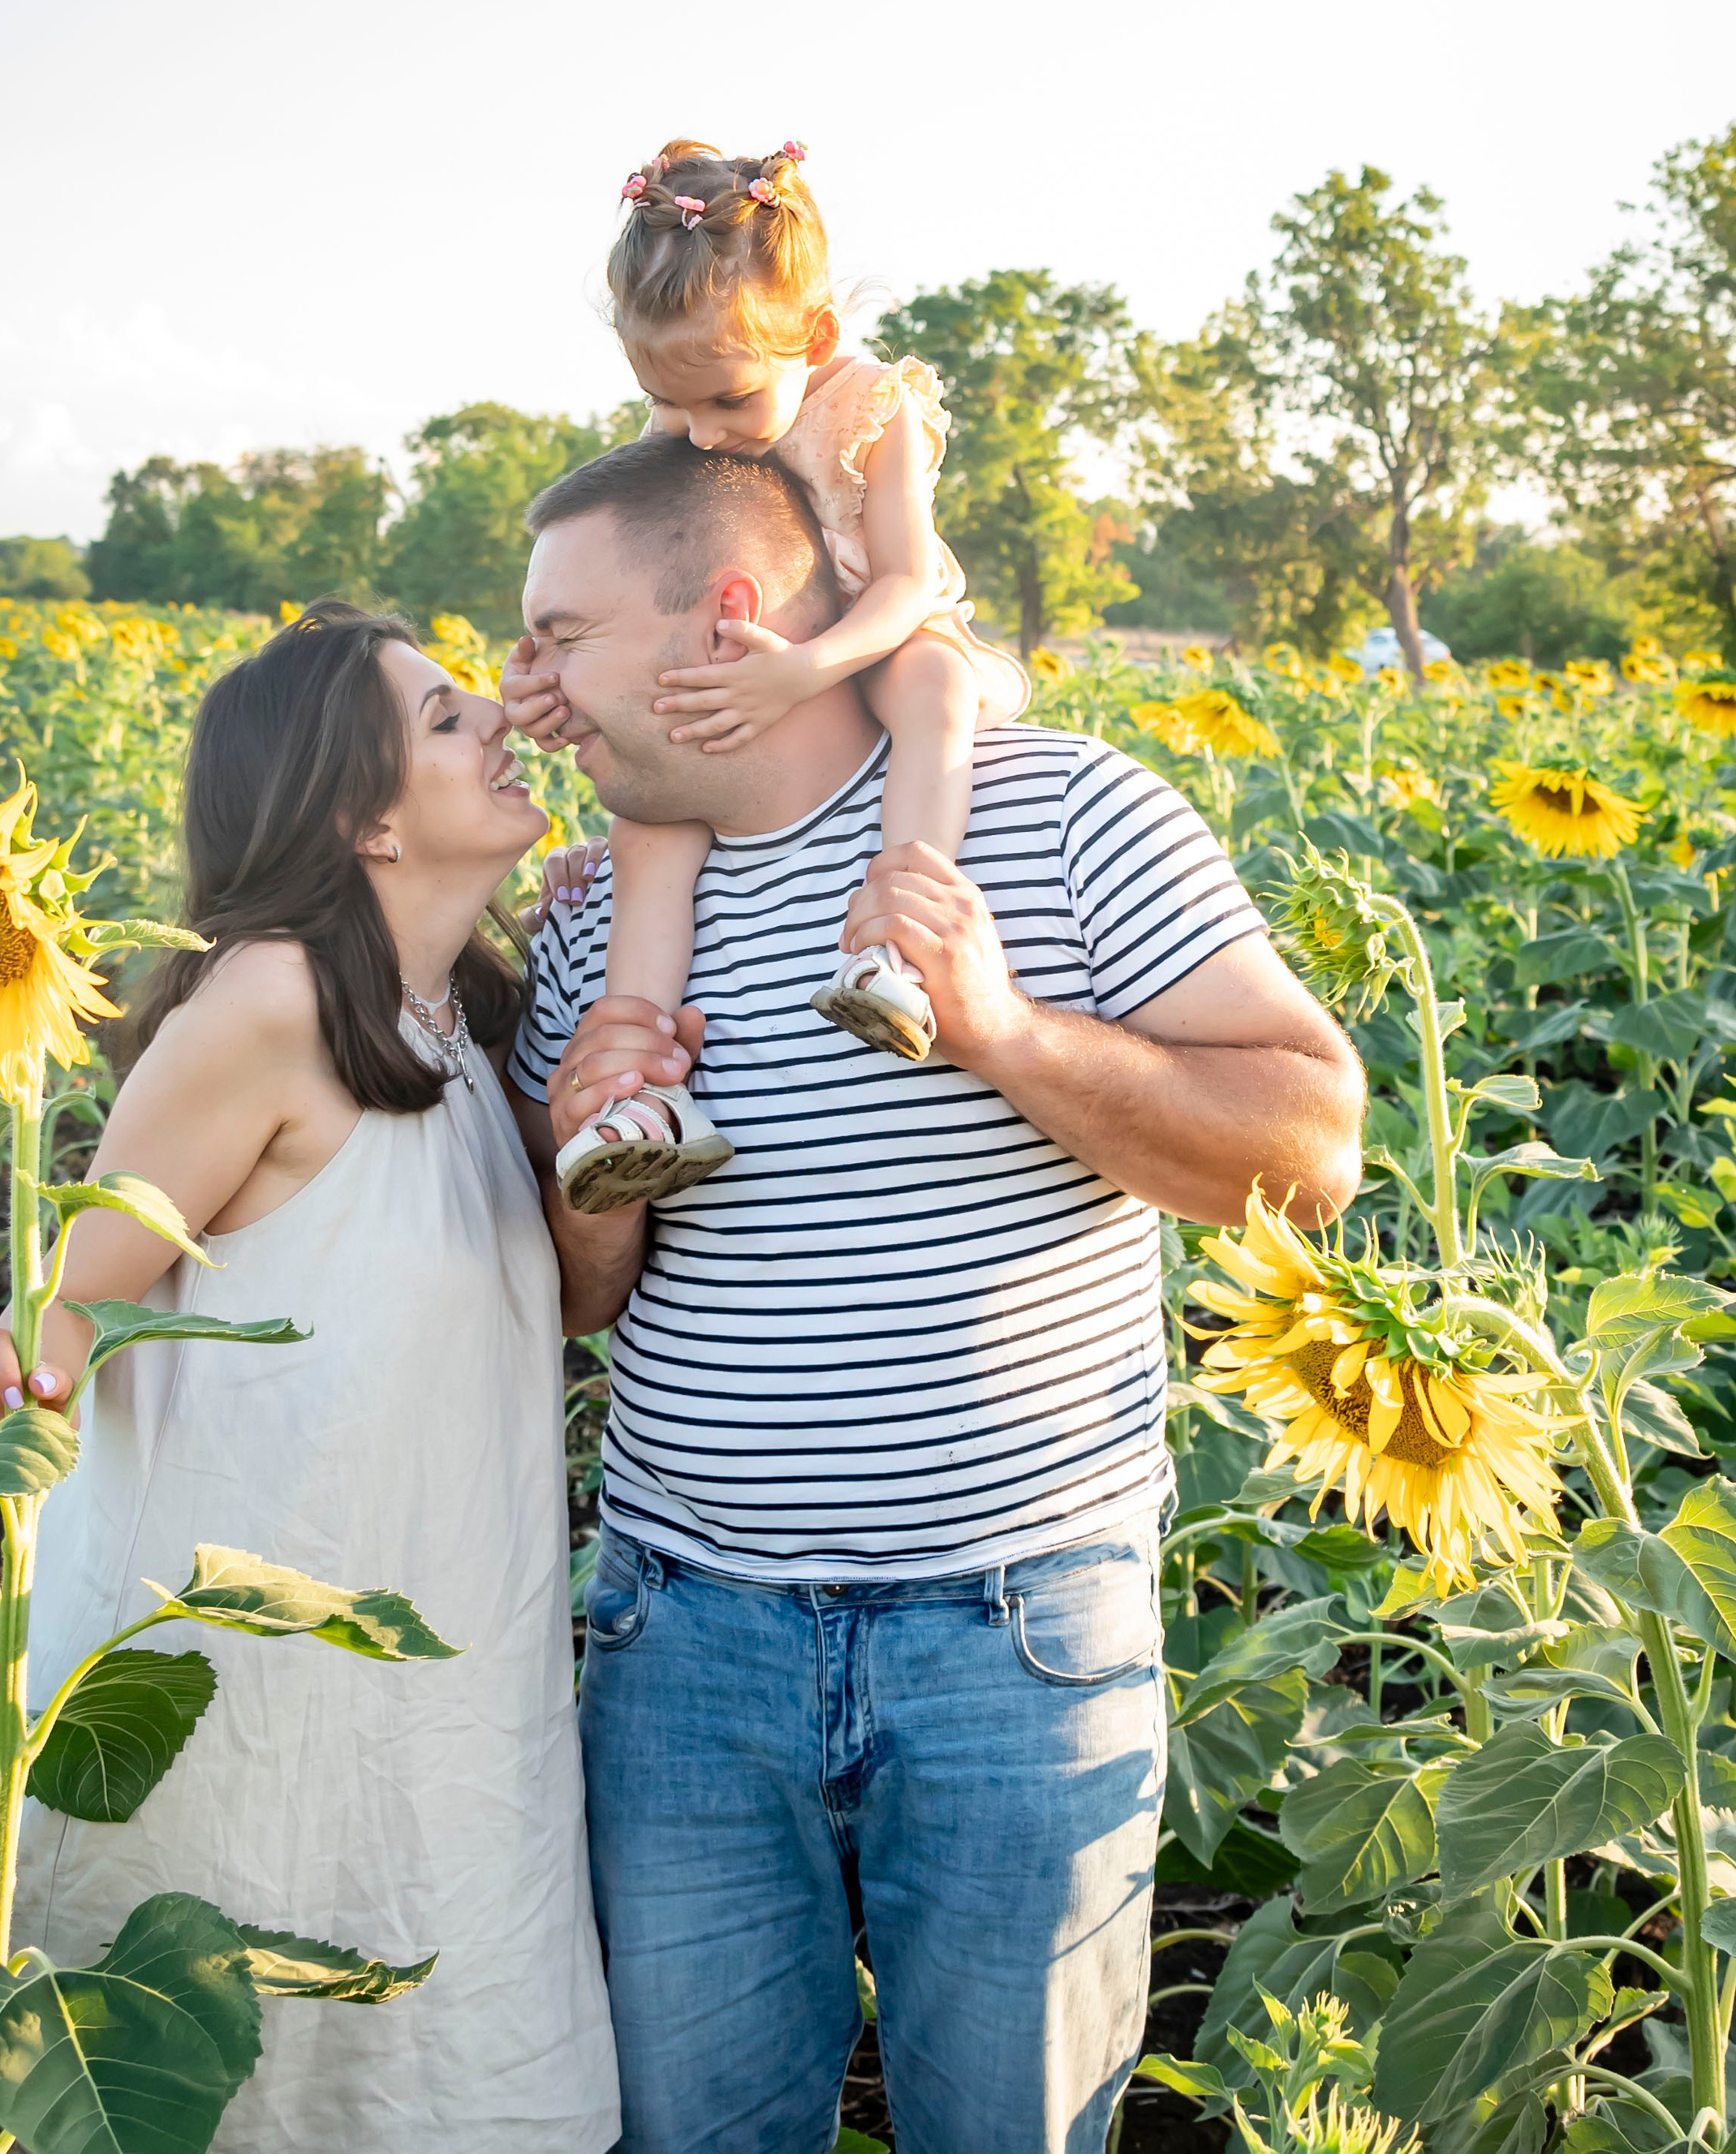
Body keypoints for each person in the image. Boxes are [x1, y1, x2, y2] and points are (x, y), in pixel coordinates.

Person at [503, 435, 1368, 2154]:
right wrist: (584, 1153)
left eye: (557, 635)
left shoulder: (1058, 812)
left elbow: (1307, 1149)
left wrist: (1005, 1030)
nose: (522, 683)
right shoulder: (604, 918)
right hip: (683, 1642)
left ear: (722, 622)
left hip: (1012, 1641)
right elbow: (579, 1300)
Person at [0, 603, 619, 2154]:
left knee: (425, 2034)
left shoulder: (469, 1021)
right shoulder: (268, 1004)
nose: (496, 721)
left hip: (441, 1646)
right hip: (244, 1661)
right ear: (359, 813)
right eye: (443, 717)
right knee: (205, 2056)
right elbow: (70, 1311)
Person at [502, 136, 1030, 1214]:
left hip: (869, 636)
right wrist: (551, 675)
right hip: (762, 665)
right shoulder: (701, 397)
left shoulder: (873, 403)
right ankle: (638, 1094)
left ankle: (899, 947)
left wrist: (807, 673)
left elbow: (900, 582)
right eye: (670, 406)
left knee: (932, 692)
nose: (701, 436)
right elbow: (621, 580)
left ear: (818, 335)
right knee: (658, 821)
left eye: (727, 405)